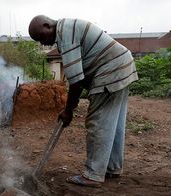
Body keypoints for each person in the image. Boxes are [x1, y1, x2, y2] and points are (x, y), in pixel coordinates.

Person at [28, 16, 138, 187]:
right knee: (113, 124)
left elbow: (76, 80)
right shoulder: (68, 27)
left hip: (111, 70)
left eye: (42, 37)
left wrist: (69, 110)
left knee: (98, 121)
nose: (45, 44)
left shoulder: (65, 32)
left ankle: (93, 175)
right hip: (122, 65)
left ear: (47, 25)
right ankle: (112, 168)